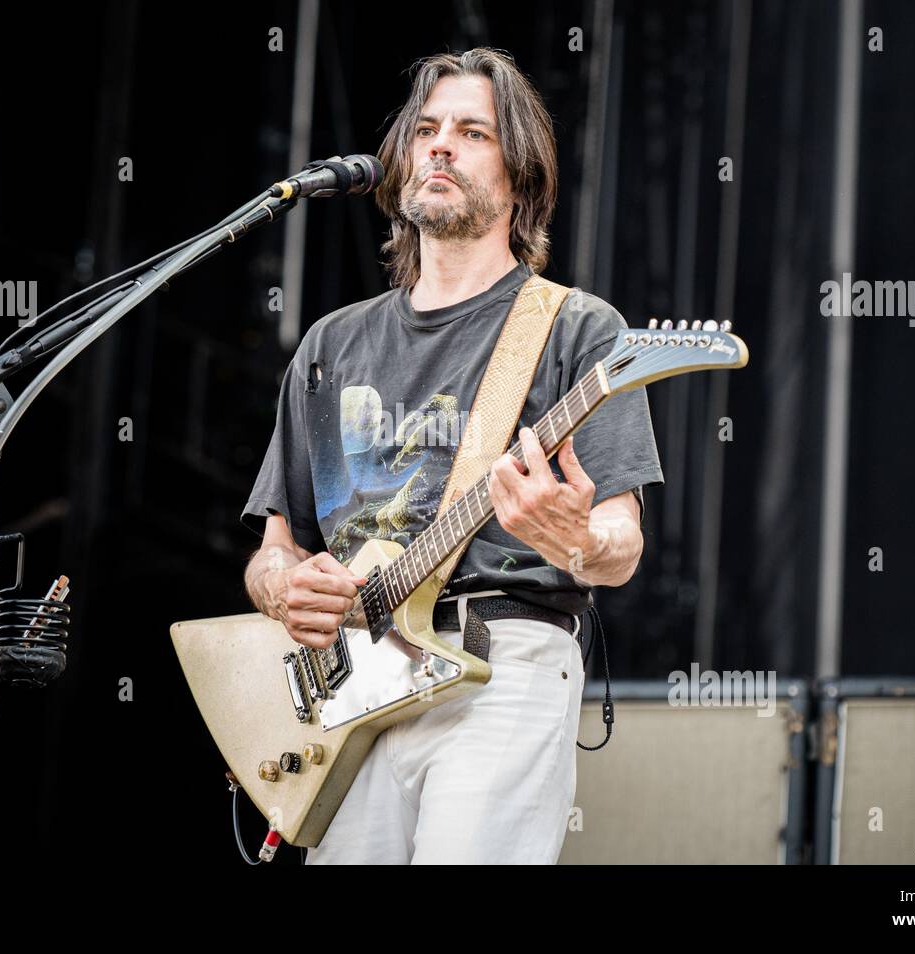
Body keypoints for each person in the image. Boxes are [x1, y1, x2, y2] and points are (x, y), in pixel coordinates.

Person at [241, 47, 664, 864]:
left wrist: (570, 538)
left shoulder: (578, 330)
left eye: (473, 132)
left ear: (522, 179)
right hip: (349, 690)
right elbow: (274, 549)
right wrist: (288, 590)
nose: (440, 145)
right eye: (426, 129)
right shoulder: (333, 345)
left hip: (498, 668)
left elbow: (620, 548)